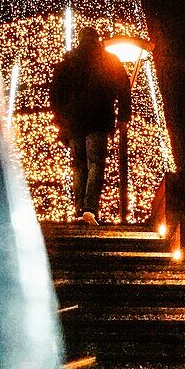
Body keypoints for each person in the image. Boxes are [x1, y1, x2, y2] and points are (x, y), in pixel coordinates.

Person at [49, 27, 131, 225]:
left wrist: (61, 119)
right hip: (99, 119)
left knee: (79, 165)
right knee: (95, 162)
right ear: (97, 40)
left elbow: (55, 94)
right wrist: (123, 116)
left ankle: (79, 208)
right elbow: (124, 87)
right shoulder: (109, 60)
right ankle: (90, 208)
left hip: (75, 121)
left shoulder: (67, 63)